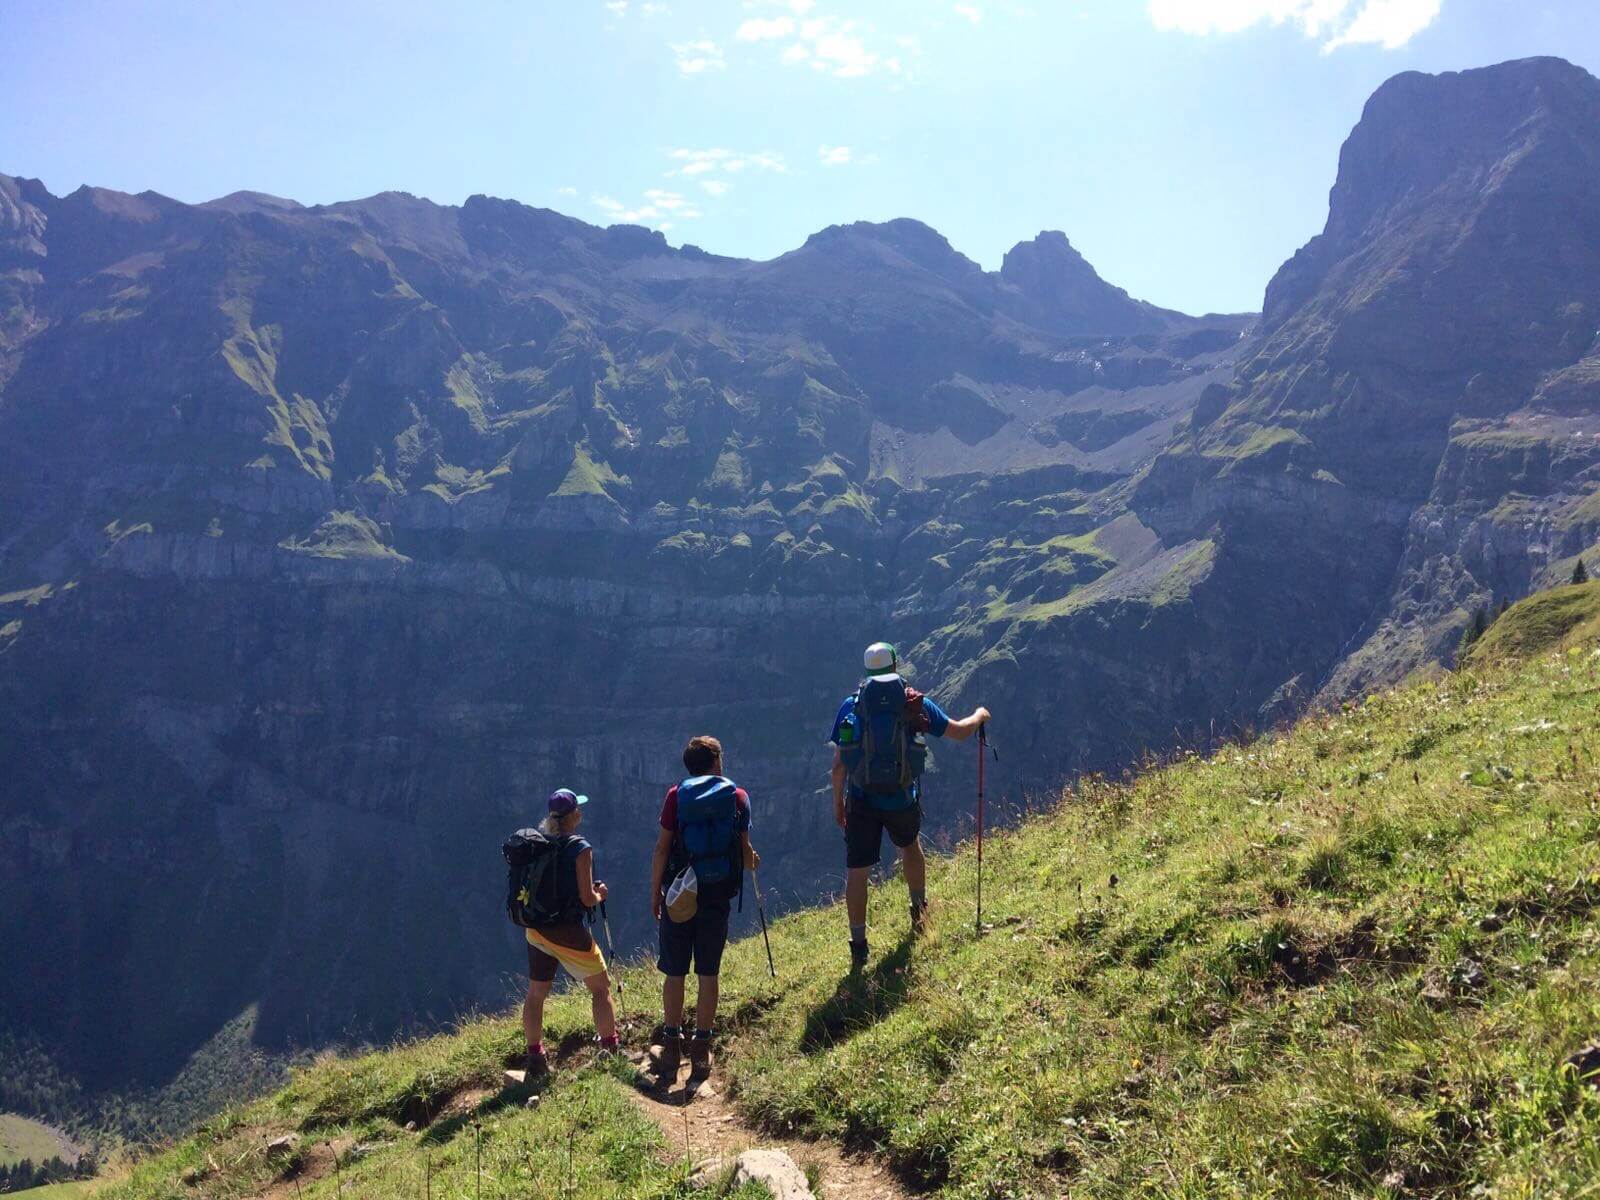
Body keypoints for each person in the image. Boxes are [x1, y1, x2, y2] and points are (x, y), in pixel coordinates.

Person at [829, 641, 990, 971]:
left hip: (861, 800)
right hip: (901, 797)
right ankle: (920, 913)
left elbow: (839, 765)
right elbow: (959, 733)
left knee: (858, 872)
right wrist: (979, 715)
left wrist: (838, 806)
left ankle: (858, 946)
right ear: (894, 666)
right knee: (910, 847)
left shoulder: (851, 707)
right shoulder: (915, 704)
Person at [649, 735, 760, 1081]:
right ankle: (702, 1047)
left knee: (675, 971)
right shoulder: (737, 796)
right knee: (708, 972)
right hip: (716, 894)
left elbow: (662, 849)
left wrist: (656, 894)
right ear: (716, 762)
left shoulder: (675, 796)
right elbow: (744, 852)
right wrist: (752, 861)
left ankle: (671, 1045)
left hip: (680, 893)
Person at [521, 788, 619, 1074]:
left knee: (536, 993)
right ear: (573, 815)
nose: (582, 813)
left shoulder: (539, 843)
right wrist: (600, 895)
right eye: (579, 809)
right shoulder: (580, 847)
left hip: (537, 929)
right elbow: (587, 898)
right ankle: (609, 1048)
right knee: (601, 989)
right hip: (567, 931)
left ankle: (535, 1056)